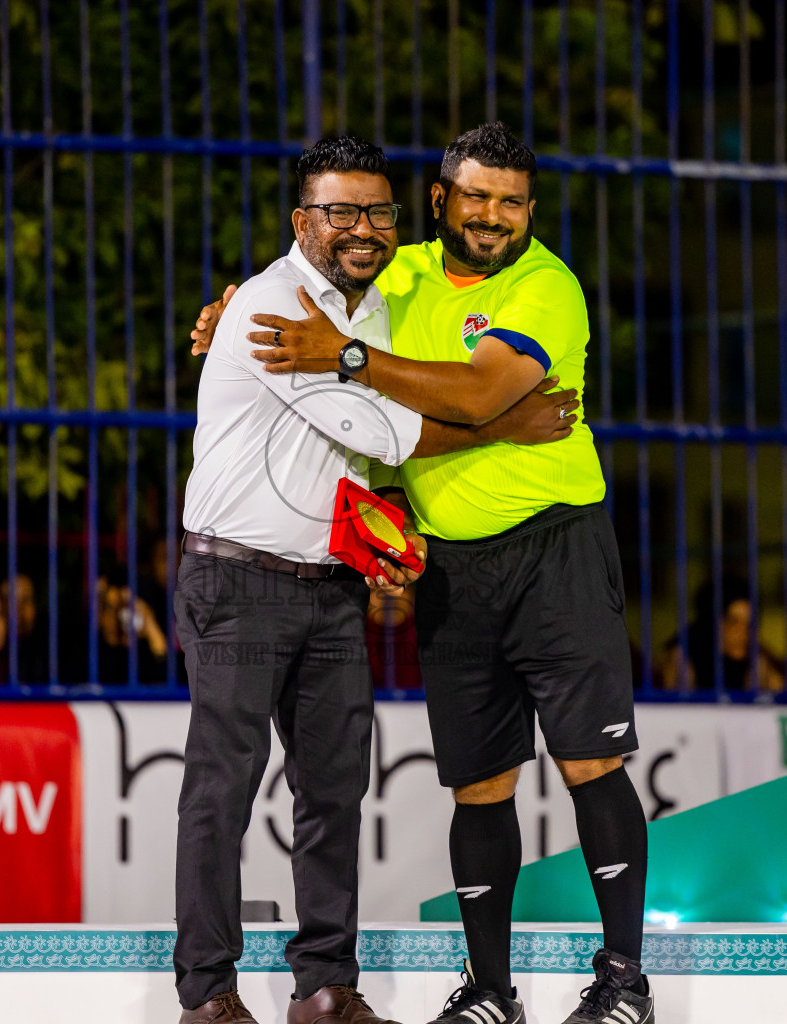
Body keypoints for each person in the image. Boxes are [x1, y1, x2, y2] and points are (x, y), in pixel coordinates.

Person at [193, 123, 650, 1024]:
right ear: (439, 200)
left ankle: (624, 981)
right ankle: (489, 991)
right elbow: (312, 286)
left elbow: (482, 393)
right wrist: (234, 314)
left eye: (513, 200)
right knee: (477, 784)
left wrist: (348, 356)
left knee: (591, 762)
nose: (493, 216)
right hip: (452, 568)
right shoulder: (395, 274)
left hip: (555, 546)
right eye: (476, 196)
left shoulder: (545, 286)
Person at [658, 579, 780, 693]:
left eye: (751, 623)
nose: (744, 632)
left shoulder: (757, 658)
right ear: (711, 622)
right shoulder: (681, 656)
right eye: (733, 621)